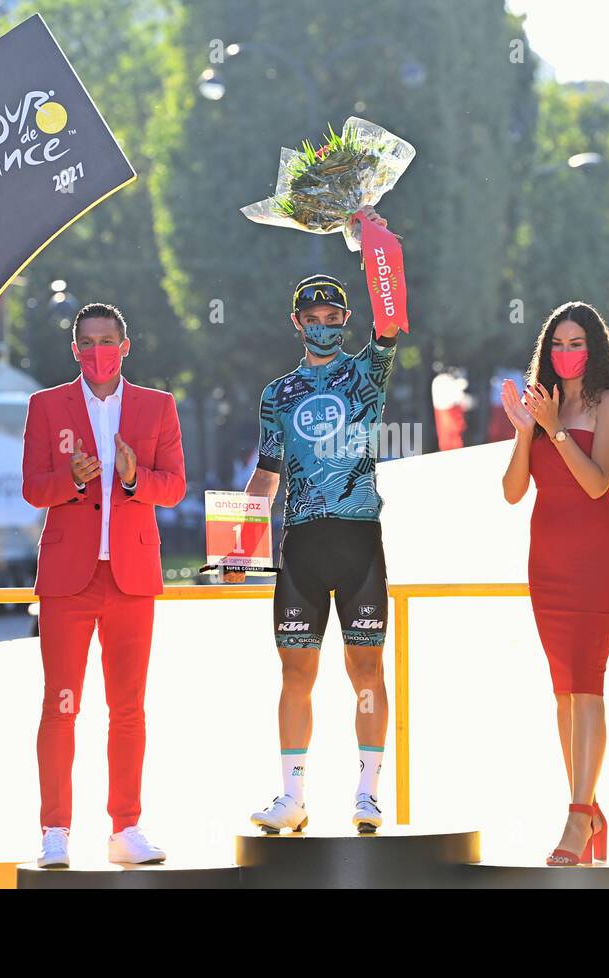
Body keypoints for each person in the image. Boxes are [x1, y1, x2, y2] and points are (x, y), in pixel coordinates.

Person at [223, 207, 398, 835]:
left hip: (359, 539)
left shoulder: (366, 375)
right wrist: (234, 551)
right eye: (312, 319)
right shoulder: (278, 393)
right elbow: (267, 471)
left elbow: (393, 316)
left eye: (333, 319)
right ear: (296, 323)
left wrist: (373, 239)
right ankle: (292, 797)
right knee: (295, 672)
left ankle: (368, 793)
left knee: (367, 672)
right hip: (300, 544)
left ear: (346, 322)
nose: (323, 328)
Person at [21, 302, 186, 868]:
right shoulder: (46, 406)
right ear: (75, 350)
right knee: (60, 707)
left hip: (132, 577)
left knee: (128, 709)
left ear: (125, 344)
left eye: (107, 340)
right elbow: (33, 490)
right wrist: (70, 479)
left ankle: (126, 826)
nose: (98, 351)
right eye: (87, 342)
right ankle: (55, 831)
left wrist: (135, 476)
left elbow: (174, 487)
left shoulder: (158, 406)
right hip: (70, 579)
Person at [500, 301, 609, 867]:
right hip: (546, 559)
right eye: (557, 344)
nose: (566, 353)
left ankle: (579, 815)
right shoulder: (542, 403)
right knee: (562, 689)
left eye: (576, 343)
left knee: (588, 681)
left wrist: (555, 433)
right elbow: (511, 491)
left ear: (595, 347)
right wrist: (526, 432)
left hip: (596, 558)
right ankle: (589, 807)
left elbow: (598, 484)